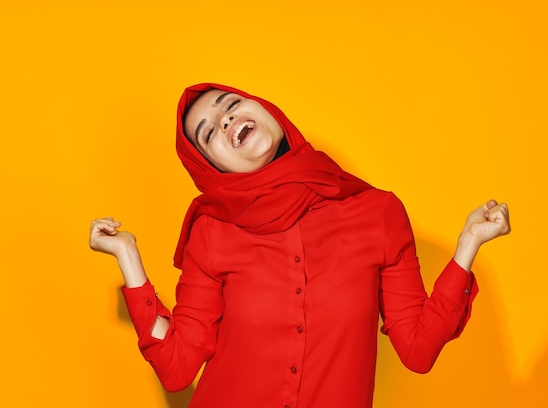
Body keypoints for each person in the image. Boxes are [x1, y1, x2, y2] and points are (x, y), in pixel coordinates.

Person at [89, 83, 511, 408]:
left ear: (266, 110)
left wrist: (468, 246)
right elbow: (177, 367)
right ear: (211, 168)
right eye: (207, 133)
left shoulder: (377, 213)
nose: (224, 121)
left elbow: (418, 350)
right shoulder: (211, 232)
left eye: (231, 106)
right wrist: (129, 259)